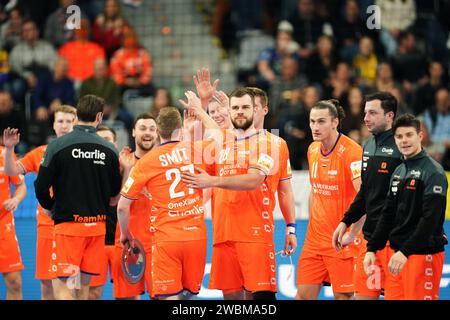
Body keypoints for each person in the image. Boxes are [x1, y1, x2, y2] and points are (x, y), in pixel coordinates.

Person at [181, 86, 296, 300]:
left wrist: (291, 227)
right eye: (235, 108)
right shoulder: (221, 142)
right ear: (229, 111)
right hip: (223, 235)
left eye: (245, 107)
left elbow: (253, 180)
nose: (240, 111)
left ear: (256, 110)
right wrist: (190, 128)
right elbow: (186, 161)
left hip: (254, 235)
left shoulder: (269, 143)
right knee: (232, 301)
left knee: (260, 302)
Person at [118, 107, 214, 300]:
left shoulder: (146, 162)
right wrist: (201, 110)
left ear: (158, 131)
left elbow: (122, 206)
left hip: (167, 238)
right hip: (196, 237)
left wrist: (125, 234)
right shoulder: (195, 150)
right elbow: (224, 139)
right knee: (189, 299)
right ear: (180, 130)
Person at [34, 94, 122, 300]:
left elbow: (40, 185)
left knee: (62, 285)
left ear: (77, 115)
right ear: (99, 116)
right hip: (97, 228)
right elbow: (114, 193)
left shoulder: (57, 146)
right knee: (83, 288)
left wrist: (49, 207)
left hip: (68, 228)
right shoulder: (109, 149)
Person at [364, 114, 448, 300]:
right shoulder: (399, 171)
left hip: (422, 254)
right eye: (399, 136)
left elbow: (431, 220)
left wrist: (405, 252)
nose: (404, 140)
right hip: (398, 256)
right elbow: (388, 215)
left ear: (420, 136)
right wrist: (372, 248)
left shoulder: (433, 172)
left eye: (409, 135)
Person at [332, 92, 403, 300]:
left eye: (372, 113)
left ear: (389, 116)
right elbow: (365, 192)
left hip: (394, 242)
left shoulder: (403, 146)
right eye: (365, 112)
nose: (366, 118)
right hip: (370, 240)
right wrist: (345, 221)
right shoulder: (369, 144)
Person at [3, 105, 77, 300]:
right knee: (46, 284)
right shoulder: (41, 152)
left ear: (76, 124)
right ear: (53, 125)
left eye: (69, 121)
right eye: (60, 121)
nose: (64, 125)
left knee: (73, 285)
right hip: (47, 226)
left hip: (75, 228)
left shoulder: (84, 153)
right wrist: (10, 148)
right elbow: (12, 171)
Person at [295, 99, 362, 300]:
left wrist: (353, 233)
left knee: (342, 297)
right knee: (302, 297)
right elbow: (315, 190)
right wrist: (310, 226)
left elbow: (364, 198)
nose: (315, 127)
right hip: (314, 241)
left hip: (341, 241)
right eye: (312, 121)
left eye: (321, 121)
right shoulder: (313, 149)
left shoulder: (352, 152)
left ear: (334, 122)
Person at [112, 113, 158, 300]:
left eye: (152, 129)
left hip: (158, 243)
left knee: (162, 296)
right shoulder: (121, 162)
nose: (147, 133)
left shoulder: (165, 162)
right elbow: (114, 202)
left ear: (158, 133)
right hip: (127, 242)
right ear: (133, 132)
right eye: (142, 128)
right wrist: (128, 170)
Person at [88, 125, 119, 300]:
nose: (103, 144)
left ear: (115, 143)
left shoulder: (130, 168)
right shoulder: (83, 172)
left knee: (128, 295)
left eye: (107, 140)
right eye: (99, 140)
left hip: (121, 243)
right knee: (93, 294)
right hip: (94, 243)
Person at [0, 132, 27, 300]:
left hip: (4, 226)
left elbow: (21, 186)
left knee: (14, 282)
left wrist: (16, 199)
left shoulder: (5, 154)